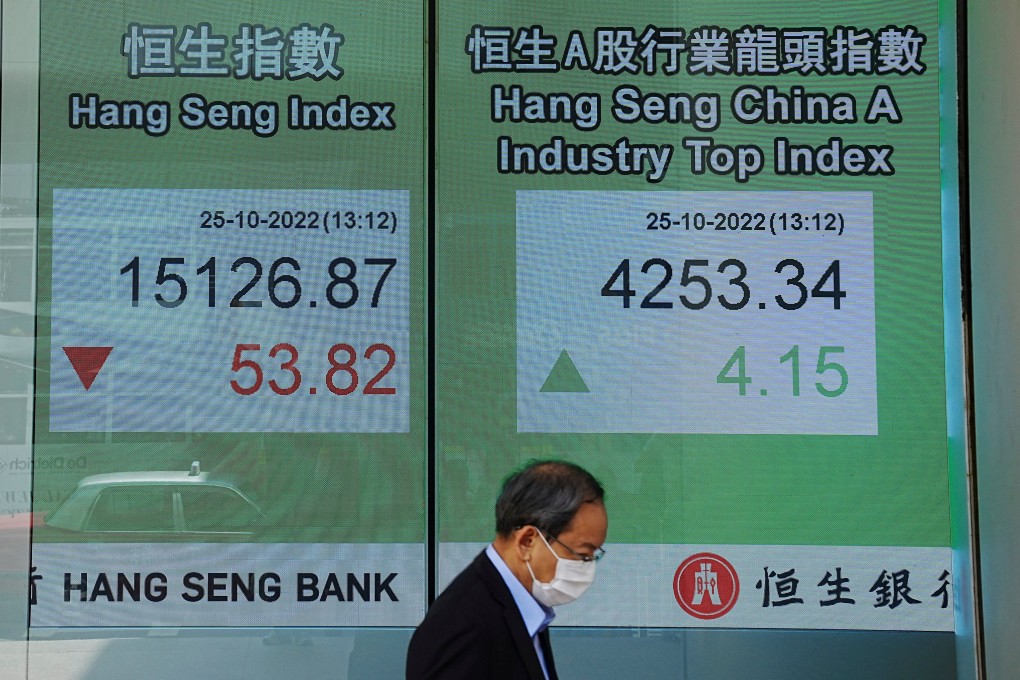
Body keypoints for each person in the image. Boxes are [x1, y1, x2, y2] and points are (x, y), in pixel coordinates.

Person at [406, 460, 607, 680]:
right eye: (582, 554)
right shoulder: (461, 625)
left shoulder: (522, 608)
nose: (587, 566)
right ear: (527, 541)